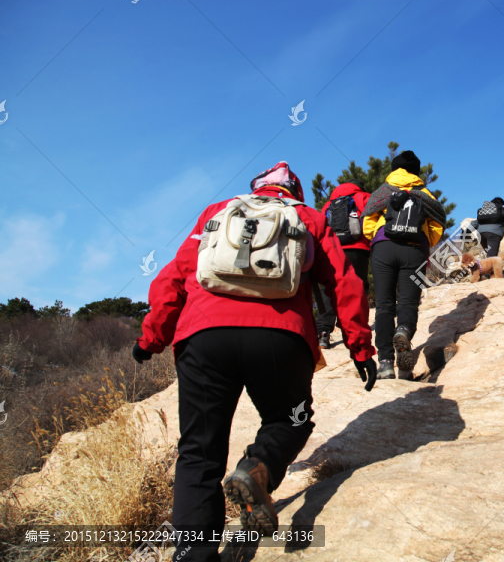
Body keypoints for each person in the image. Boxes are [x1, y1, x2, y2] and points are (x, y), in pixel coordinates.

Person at [132, 162, 376, 562]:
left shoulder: (217, 212)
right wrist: (359, 346)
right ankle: (259, 466)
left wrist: (150, 338)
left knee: (199, 451)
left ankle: (194, 555)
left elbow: (174, 276)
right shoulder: (308, 218)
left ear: (256, 189)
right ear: (295, 191)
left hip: (204, 337)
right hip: (281, 338)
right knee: (291, 419)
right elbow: (344, 282)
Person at [361, 150, 445, 380]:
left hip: (383, 248)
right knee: (409, 301)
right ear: (417, 172)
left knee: (385, 305)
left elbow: (367, 222)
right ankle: (404, 331)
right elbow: (438, 224)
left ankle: (386, 363)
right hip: (414, 249)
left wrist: (377, 239)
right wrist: (425, 241)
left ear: (394, 169)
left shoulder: (383, 191)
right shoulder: (425, 193)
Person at [316, 179, 371, 349]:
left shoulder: (329, 203)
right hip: (358, 248)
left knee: (329, 289)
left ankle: (323, 333)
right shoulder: (364, 197)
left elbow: (322, 225)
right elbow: (371, 221)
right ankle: (353, 332)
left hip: (333, 248)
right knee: (358, 288)